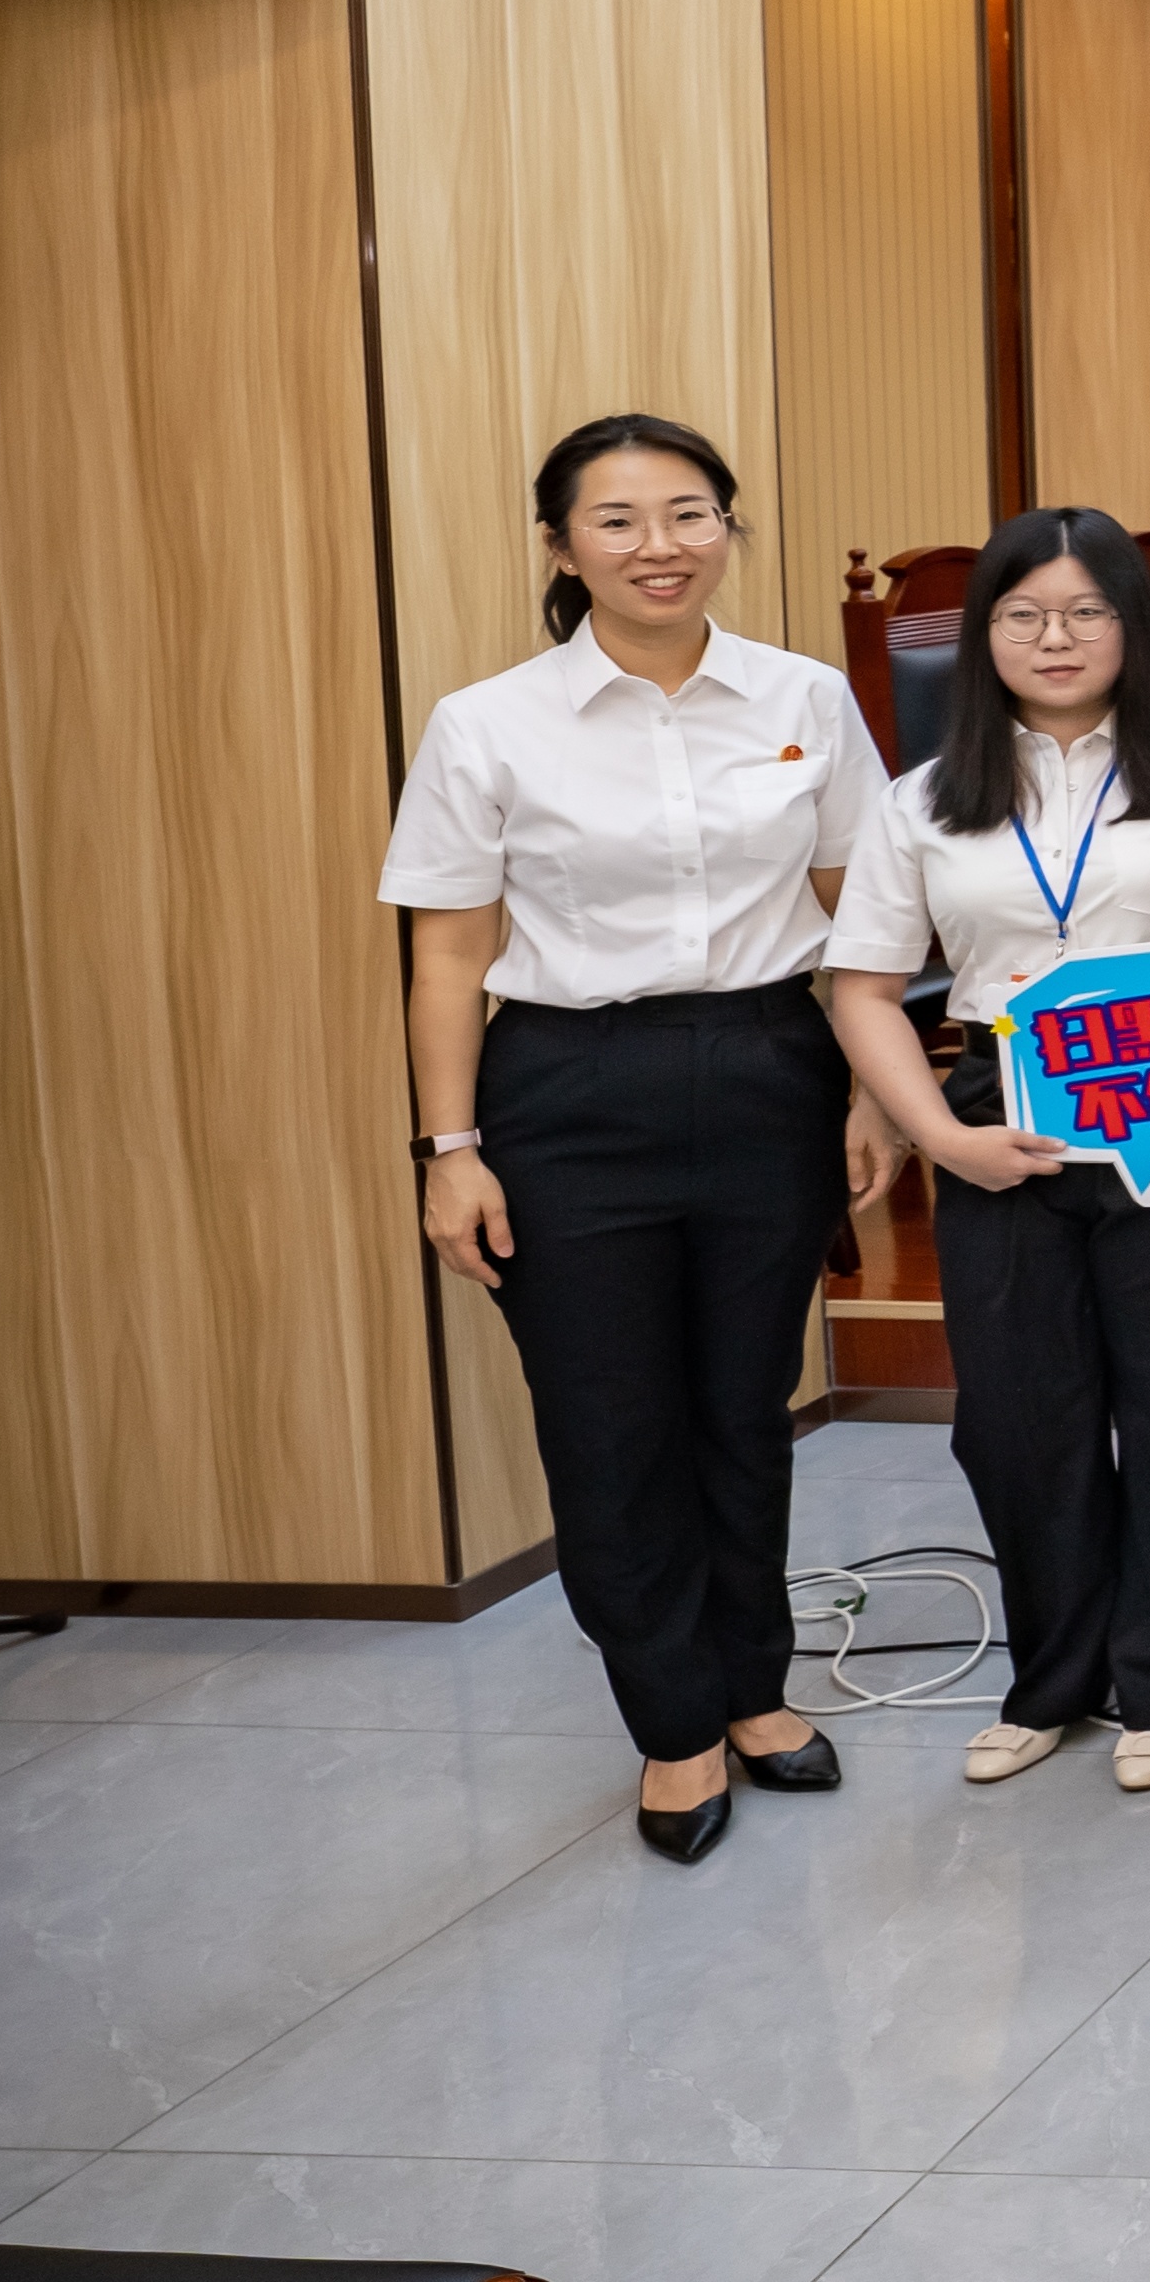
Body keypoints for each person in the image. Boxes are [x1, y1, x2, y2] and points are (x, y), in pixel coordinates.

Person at [382, 415, 888, 1865]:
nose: (658, 546)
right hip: (567, 1092)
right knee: (611, 1428)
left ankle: (753, 1690)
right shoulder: (489, 723)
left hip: (765, 1067)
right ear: (560, 547)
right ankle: (672, 1723)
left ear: (730, 528)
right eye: (616, 520)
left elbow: (861, 913)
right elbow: (444, 958)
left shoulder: (804, 696)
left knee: (746, 1406)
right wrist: (449, 1149)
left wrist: (872, 1088)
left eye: (688, 514)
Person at [821, 507, 1150, 1799]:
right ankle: (1049, 1679)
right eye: (1025, 613)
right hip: (999, 1116)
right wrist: (941, 1140)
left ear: (1132, 632)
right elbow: (863, 986)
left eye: (1086, 611)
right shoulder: (923, 801)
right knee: (1020, 1422)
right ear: (982, 637)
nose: (1056, 636)